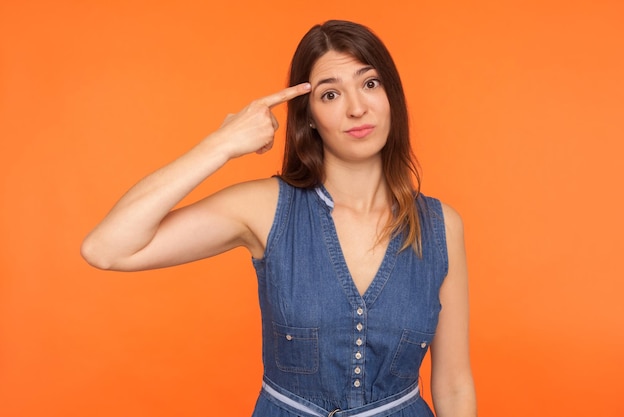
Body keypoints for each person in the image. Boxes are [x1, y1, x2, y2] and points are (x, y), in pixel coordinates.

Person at [82, 20, 476, 417]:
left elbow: (454, 386)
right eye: (331, 94)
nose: (357, 108)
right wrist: (220, 145)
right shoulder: (266, 208)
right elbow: (106, 248)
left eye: (370, 84)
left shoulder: (440, 226)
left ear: (392, 95)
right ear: (308, 117)